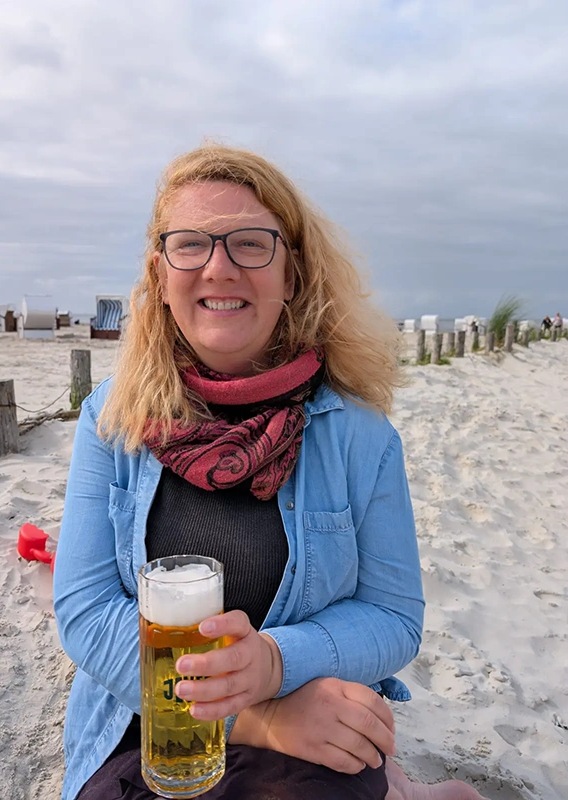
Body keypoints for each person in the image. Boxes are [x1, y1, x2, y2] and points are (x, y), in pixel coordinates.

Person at [54, 146, 485, 800]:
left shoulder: (360, 436)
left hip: (310, 719)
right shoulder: (108, 419)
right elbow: (85, 613)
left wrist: (278, 662)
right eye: (190, 245)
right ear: (160, 273)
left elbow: (393, 617)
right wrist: (254, 717)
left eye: (251, 244)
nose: (218, 267)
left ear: (291, 275)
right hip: (142, 725)